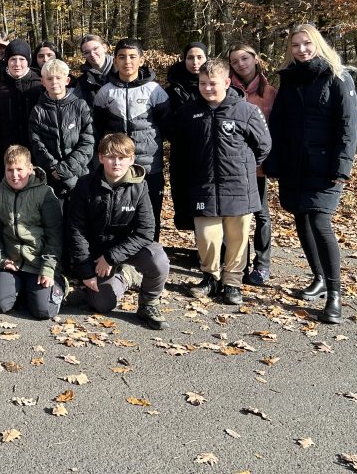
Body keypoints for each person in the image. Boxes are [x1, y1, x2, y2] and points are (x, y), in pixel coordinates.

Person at [265, 24, 357, 324]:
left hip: (324, 165)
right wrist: (275, 162)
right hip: (295, 164)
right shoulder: (289, 81)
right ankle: (318, 277)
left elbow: (348, 126)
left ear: (317, 44)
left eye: (307, 44)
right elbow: (277, 126)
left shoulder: (338, 77)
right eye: (295, 46)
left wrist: (342, 167)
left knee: (319, 220)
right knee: (301, 218)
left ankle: (334, 294)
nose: (302, 50)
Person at [171, 60, 272, 306]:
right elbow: (181, 151)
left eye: (212, 83)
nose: (206, 88)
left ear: (227, 83)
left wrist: (244, 168)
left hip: (238, 188)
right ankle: (211, 277)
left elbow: (264, 146)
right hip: (202, 187)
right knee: (207, 237)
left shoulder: (245, 111)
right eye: (202, 83)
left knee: (237, 239)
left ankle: (232, 283)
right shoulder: (188, 113)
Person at [68, 133, 170, 329]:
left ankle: (149, 303)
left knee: (159, 260)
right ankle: (125, 277)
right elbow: (76, 230)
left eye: (122, 158)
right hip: (97, 254)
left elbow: (146, 231)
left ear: (131, 159)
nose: (116, 163)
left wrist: (112, 256)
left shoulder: (140, 186)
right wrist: (87, 271)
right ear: (100, 158)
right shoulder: (85, 185)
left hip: (127, 249)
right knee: (102, 304)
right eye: (110, 157)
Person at [92, 38, 171, 240]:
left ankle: (151, 251)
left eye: (133, 57)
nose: (127, 61)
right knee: (121, 210)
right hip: (117, 166)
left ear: (141, 60)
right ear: (115, 61)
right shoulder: (105, 92)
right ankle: (121, 252)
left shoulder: (155, 90)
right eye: (122, 57)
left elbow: (167, 125)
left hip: (148, 165)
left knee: (151, 211)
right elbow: (99, 127)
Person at [0, 146, 66, 320]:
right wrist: (0, 259)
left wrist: (48, 268)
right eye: (10, 170)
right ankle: (19, 289)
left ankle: (59, 284)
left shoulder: (45, 193)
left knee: (44, 311)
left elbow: (55, 235)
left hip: (38, 263)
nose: (15, 175)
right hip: (12, 262)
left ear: (30, 169)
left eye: (19, 170)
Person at [228, 42, 278, 285]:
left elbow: (276, 130)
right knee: (236, 217)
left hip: (260, 165)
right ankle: (238, 264)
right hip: (234, 165)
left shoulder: (271, 93)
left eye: (245, 59)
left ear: (256, 59)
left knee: (261, 215)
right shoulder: (227, 91)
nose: (241, 64)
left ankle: (262, 265)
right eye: (235, 61)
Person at [29, 58, 95, 202]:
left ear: (67, 80)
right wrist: (54, 169)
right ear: (43, 82)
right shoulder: (38, 111)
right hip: (51, 178)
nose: (54, 82)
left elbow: (88, 141)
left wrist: (66, 169)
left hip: (80, 175)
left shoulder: (80, 106)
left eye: (58, 78)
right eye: (49, 78)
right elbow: (37, 144)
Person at [165, 42, 209, 243]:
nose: (195, 62)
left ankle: (210, 249)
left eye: (200, 57)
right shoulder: (173, 88)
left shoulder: (213, 84)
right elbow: (165, 122)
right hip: (182, 152)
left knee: (208, 201)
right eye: (190, 57)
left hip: (209, 152)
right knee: (185, 199)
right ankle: (199, 246)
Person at [0, 38, 43, 168]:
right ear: (7, 62)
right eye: (13, 59)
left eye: (22, 59)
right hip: (8, 159)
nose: (17, 64)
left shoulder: (40, 87)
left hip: (36, 156)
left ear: (28, 61)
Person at [74, 34, 112, 110]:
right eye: (87, 52)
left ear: (104, 47)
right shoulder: (82, 81)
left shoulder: (122, 72)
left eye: (95, 49)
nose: (92, 54)